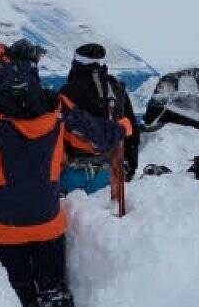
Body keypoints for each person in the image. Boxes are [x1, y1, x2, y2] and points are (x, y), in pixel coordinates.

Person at [0, 39, 124, 307]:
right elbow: (95, 138)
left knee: (18, 297)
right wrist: (120, 128)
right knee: (54, 289)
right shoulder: (56, 105)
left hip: (6, 226)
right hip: (48, 222)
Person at [58, 43, 142, 195]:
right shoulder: (116, 88)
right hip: (110, 174)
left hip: (72, 175)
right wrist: (130, 167)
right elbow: (132, 130)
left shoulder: (66, 93)